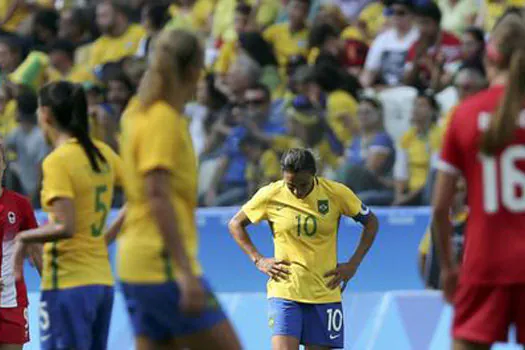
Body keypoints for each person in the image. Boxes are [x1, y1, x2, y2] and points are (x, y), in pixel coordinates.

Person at [118, 28, 241, 350]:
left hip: (134, 263)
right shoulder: (164, 121)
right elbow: (156, 195)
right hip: (163, 266)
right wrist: (185, 272)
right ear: (192, 71)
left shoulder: (136, 111)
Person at [432, 14, 525, 350]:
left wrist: (447, 268)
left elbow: (441, 207)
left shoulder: (466, 115)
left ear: (490, 55)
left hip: (485, 260)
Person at [228, 148, 379, 350]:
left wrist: (353, 264)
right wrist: (258, 259)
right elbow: (235, 224)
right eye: (291, 185)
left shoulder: (336, 193)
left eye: (303, 185)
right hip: (285, 290)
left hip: (325, 292)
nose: (297, 192)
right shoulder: (271, 194)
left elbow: (371, 222)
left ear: (313, 175)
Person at [12, 81, 122, 350]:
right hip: (102, 284)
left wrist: (24, 238)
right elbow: (142, 195)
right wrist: (106, 236)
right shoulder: (102, 153)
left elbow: (65, 225)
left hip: (68, 284)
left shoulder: (58, 160)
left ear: (46, 114)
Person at [0, 141, 42, 350]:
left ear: (4, 163)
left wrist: (53, 291)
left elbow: (37, 252)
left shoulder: (20, 204)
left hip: (13, 303)